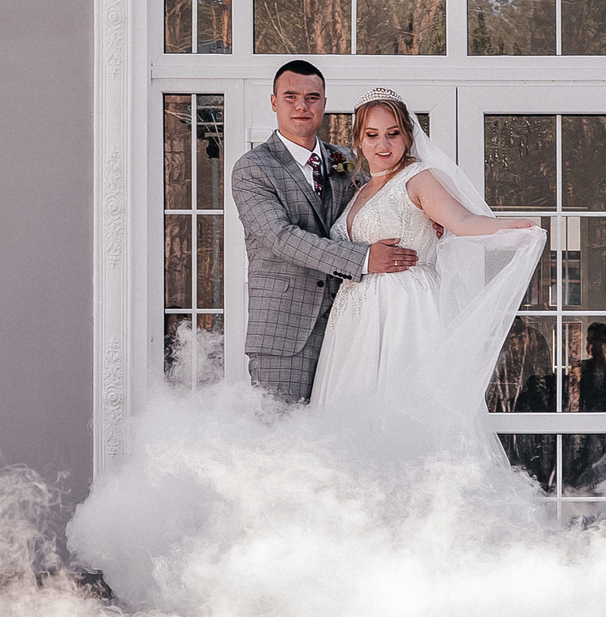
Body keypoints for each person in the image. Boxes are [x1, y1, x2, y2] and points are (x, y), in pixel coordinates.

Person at [309, 89, 546, 449]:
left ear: (408, 134)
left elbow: (463, 222)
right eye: (372, 135)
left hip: (402, 307)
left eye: (393, 133)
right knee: (352, 414)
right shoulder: (358, 188)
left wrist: (516, 227)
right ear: (358, 139)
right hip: (354, 318)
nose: (383, 144)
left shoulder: (418, 178)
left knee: (400, 409)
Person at [228, 60, 422, 404]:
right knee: (284, 443)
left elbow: (380, 200)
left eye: (312, 97)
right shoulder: (253, 168)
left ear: (324, 103)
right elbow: (280, 237)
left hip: (350, 329)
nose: (302, 106)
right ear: (273, 102)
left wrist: (423, 211)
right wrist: (363, 258)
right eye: (291, 97)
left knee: (344, 436)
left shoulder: (346, 159)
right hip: (285, 334)